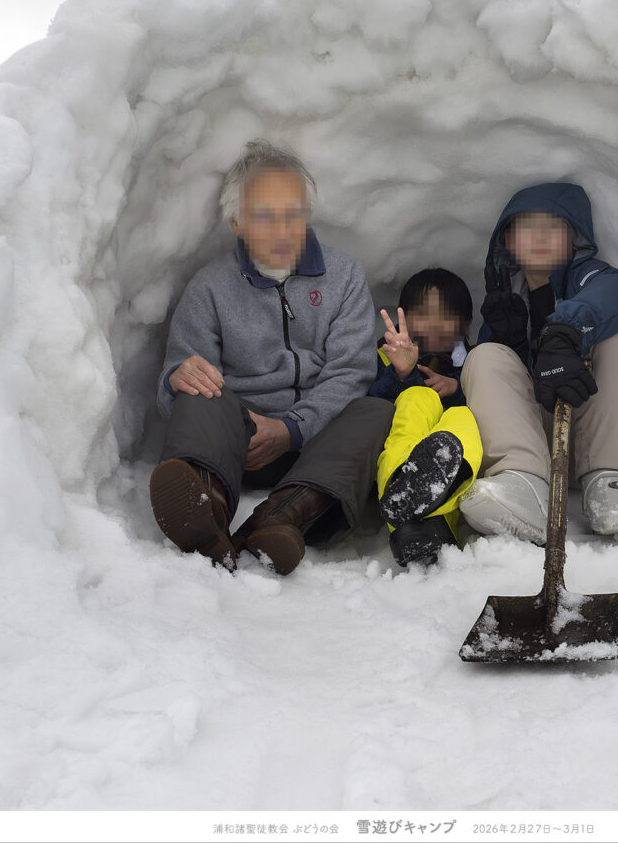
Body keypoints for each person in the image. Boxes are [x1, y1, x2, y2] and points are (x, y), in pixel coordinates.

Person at [149, 140, 393, 575]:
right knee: (197, 387)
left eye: (292, 215)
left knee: (376, 410)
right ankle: (206, 510)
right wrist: (177, 378)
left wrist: (291, 429)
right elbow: (184, 389)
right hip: (238, 446)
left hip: (319, 447)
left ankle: (282, 516)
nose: (282, 231)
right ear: (237, 223)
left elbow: (351, 372)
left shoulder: (344, 276)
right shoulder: (210, 287)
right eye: (264, 216)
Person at [458, 182, 618, 540]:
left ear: (574, 239)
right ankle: (522, 484)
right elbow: (502, 393)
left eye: (554, 227)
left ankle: (612, 480)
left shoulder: (591, 278)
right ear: (507, 240)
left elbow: (616, 292)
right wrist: (508, 339)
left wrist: (565, 331)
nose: (540, 237)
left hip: (598, 434)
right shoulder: (507, 297)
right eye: (527, 227)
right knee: (486, 356)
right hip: (537, 448)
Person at [367, 269, 483, 568]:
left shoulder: (474, 361)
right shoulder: (387, 355)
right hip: (405, 434)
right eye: (422, 314)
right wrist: (403, 374)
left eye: (445, 315)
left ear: (464, 322)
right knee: (417, 398)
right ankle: (402, 502)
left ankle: (433, 525)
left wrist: (458, 388)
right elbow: (373, 402)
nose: (433, 324)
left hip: (453, 426)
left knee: (463, 416)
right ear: (405, 318)